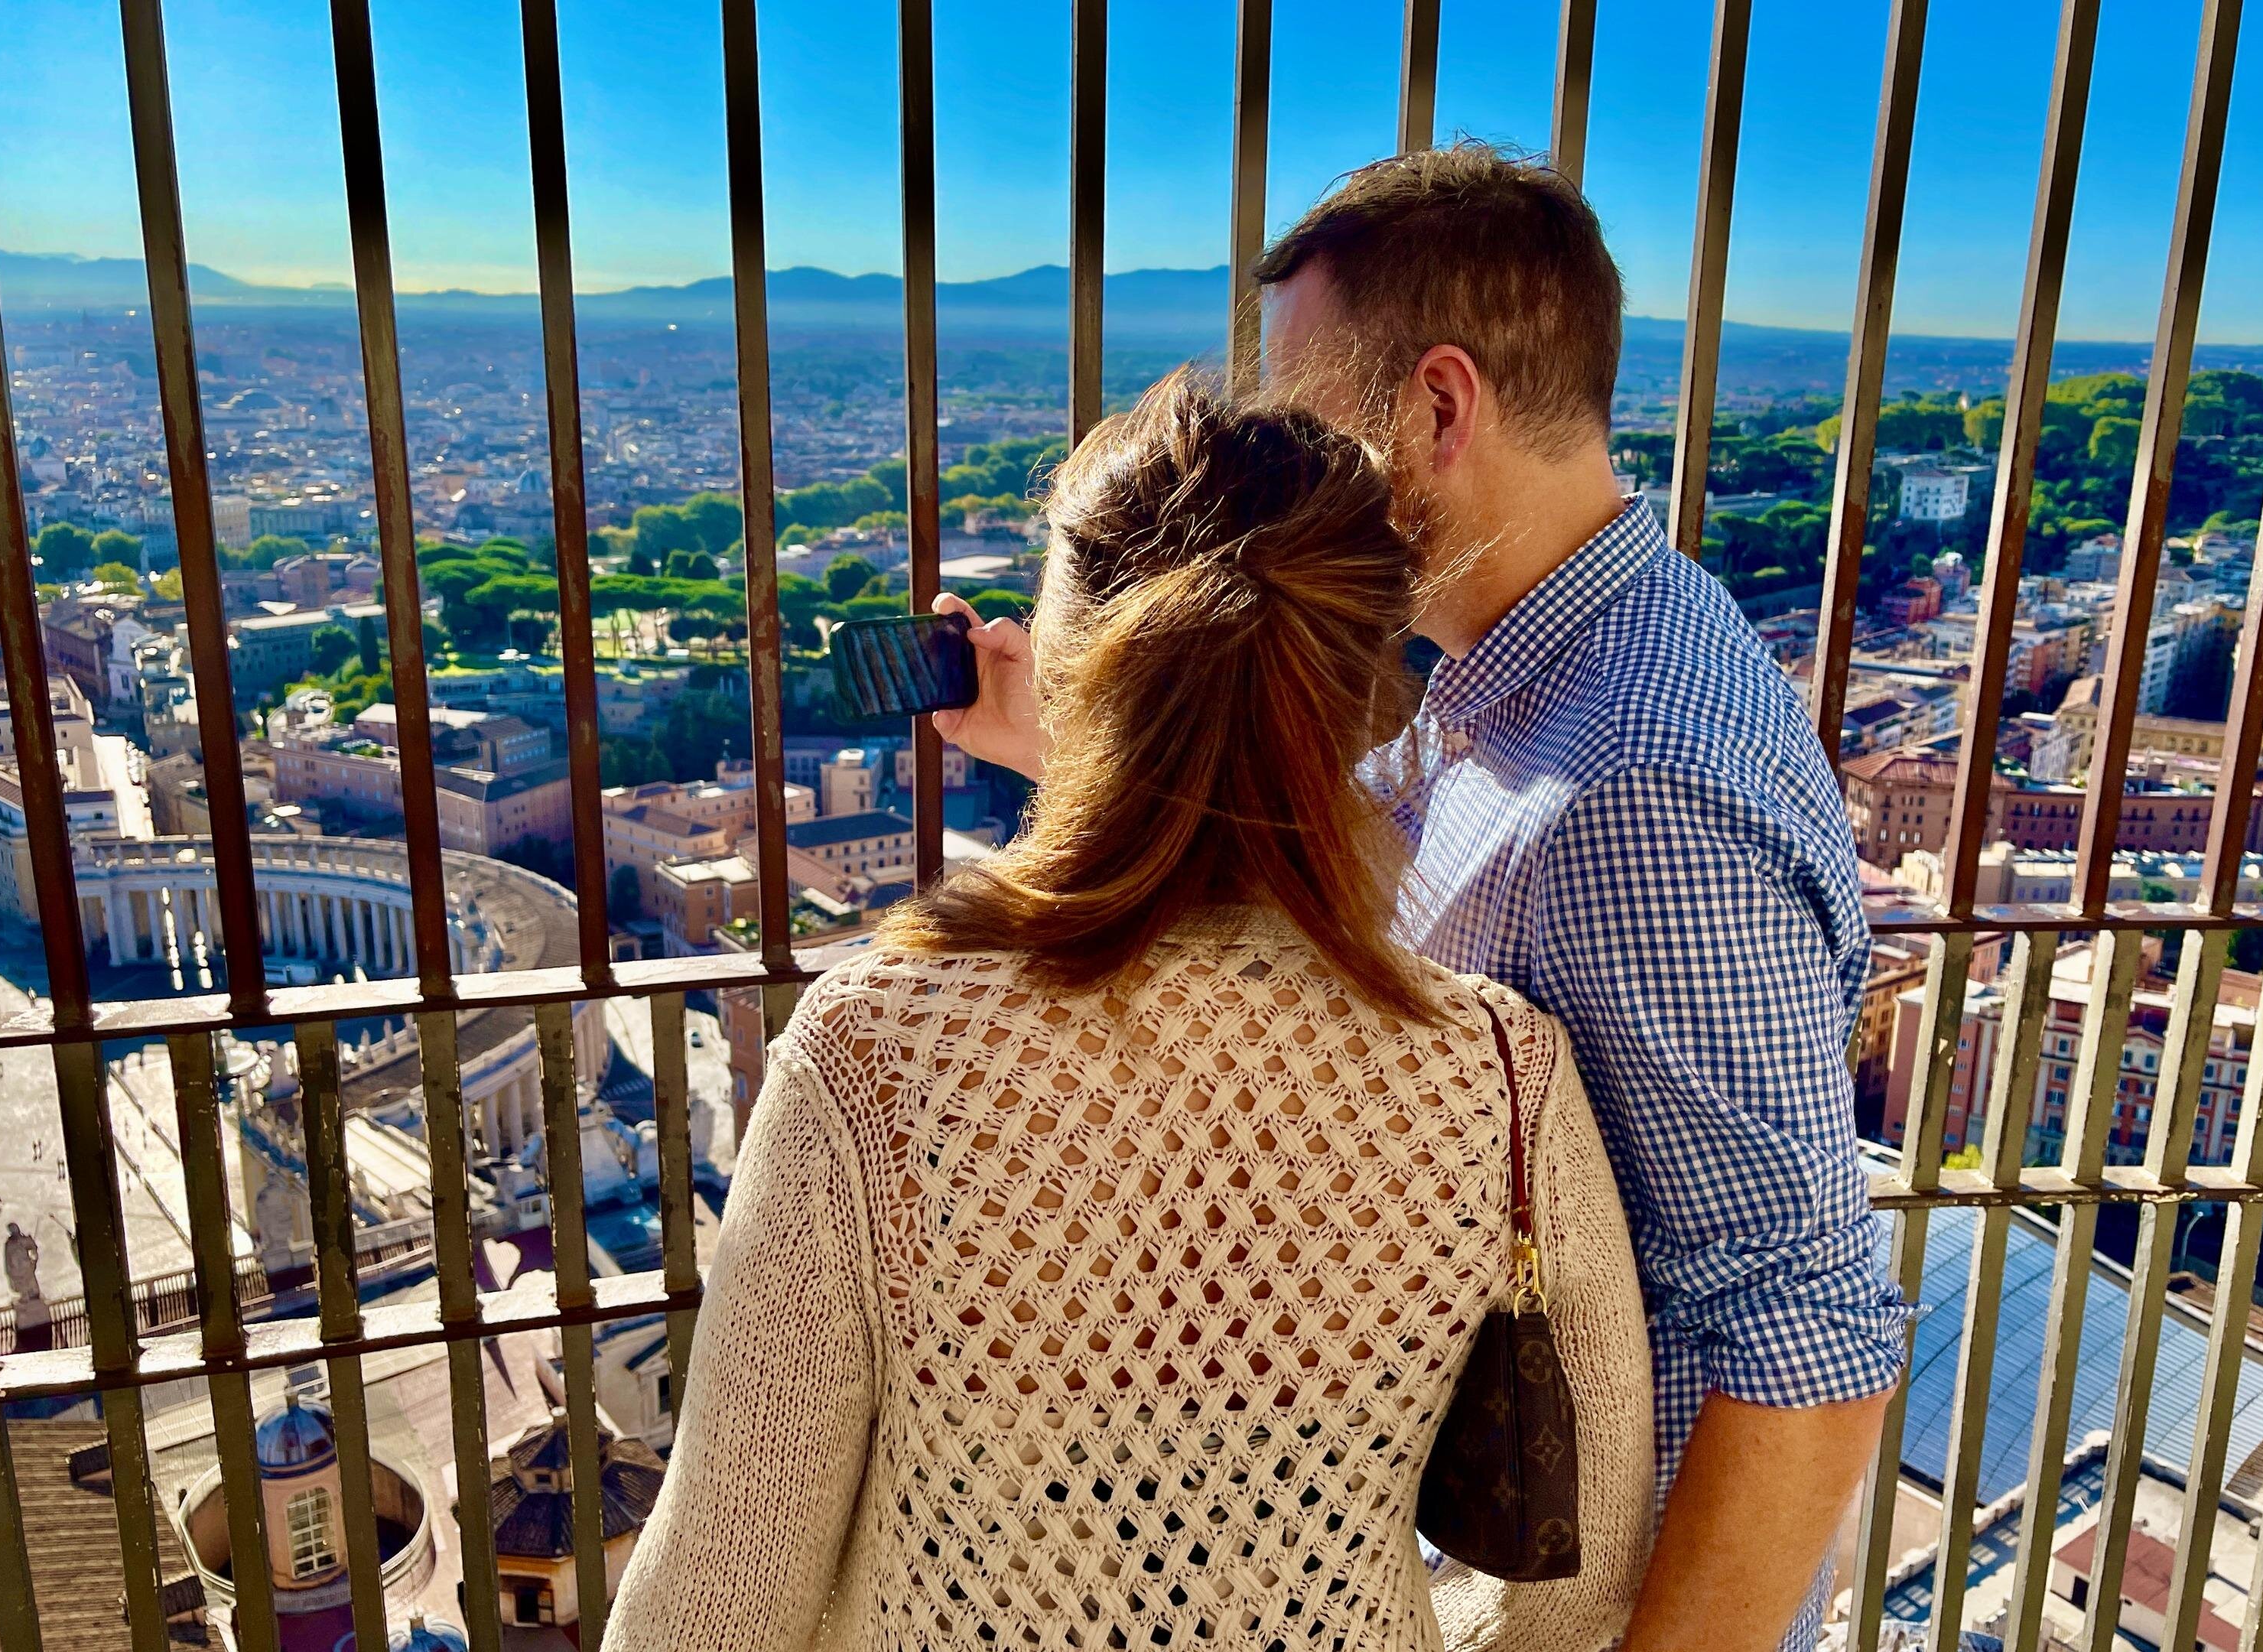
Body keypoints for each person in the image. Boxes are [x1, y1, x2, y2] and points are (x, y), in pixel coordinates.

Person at [932, 146, 1912, 1652]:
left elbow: (1807, 1335)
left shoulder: (1636, 789)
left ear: (1441, 407)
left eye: (1310, 418)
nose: (1290, 472)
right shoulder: (1540, 667)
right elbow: (1332, 875)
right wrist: (1089, 737)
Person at [606, 374, 1659, 1651]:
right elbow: (1580, 1583)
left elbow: (717, 1604)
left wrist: (1085, 752)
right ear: (1369, 689)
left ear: (1068, 664)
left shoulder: (879, 1057)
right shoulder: (1498, 1074)